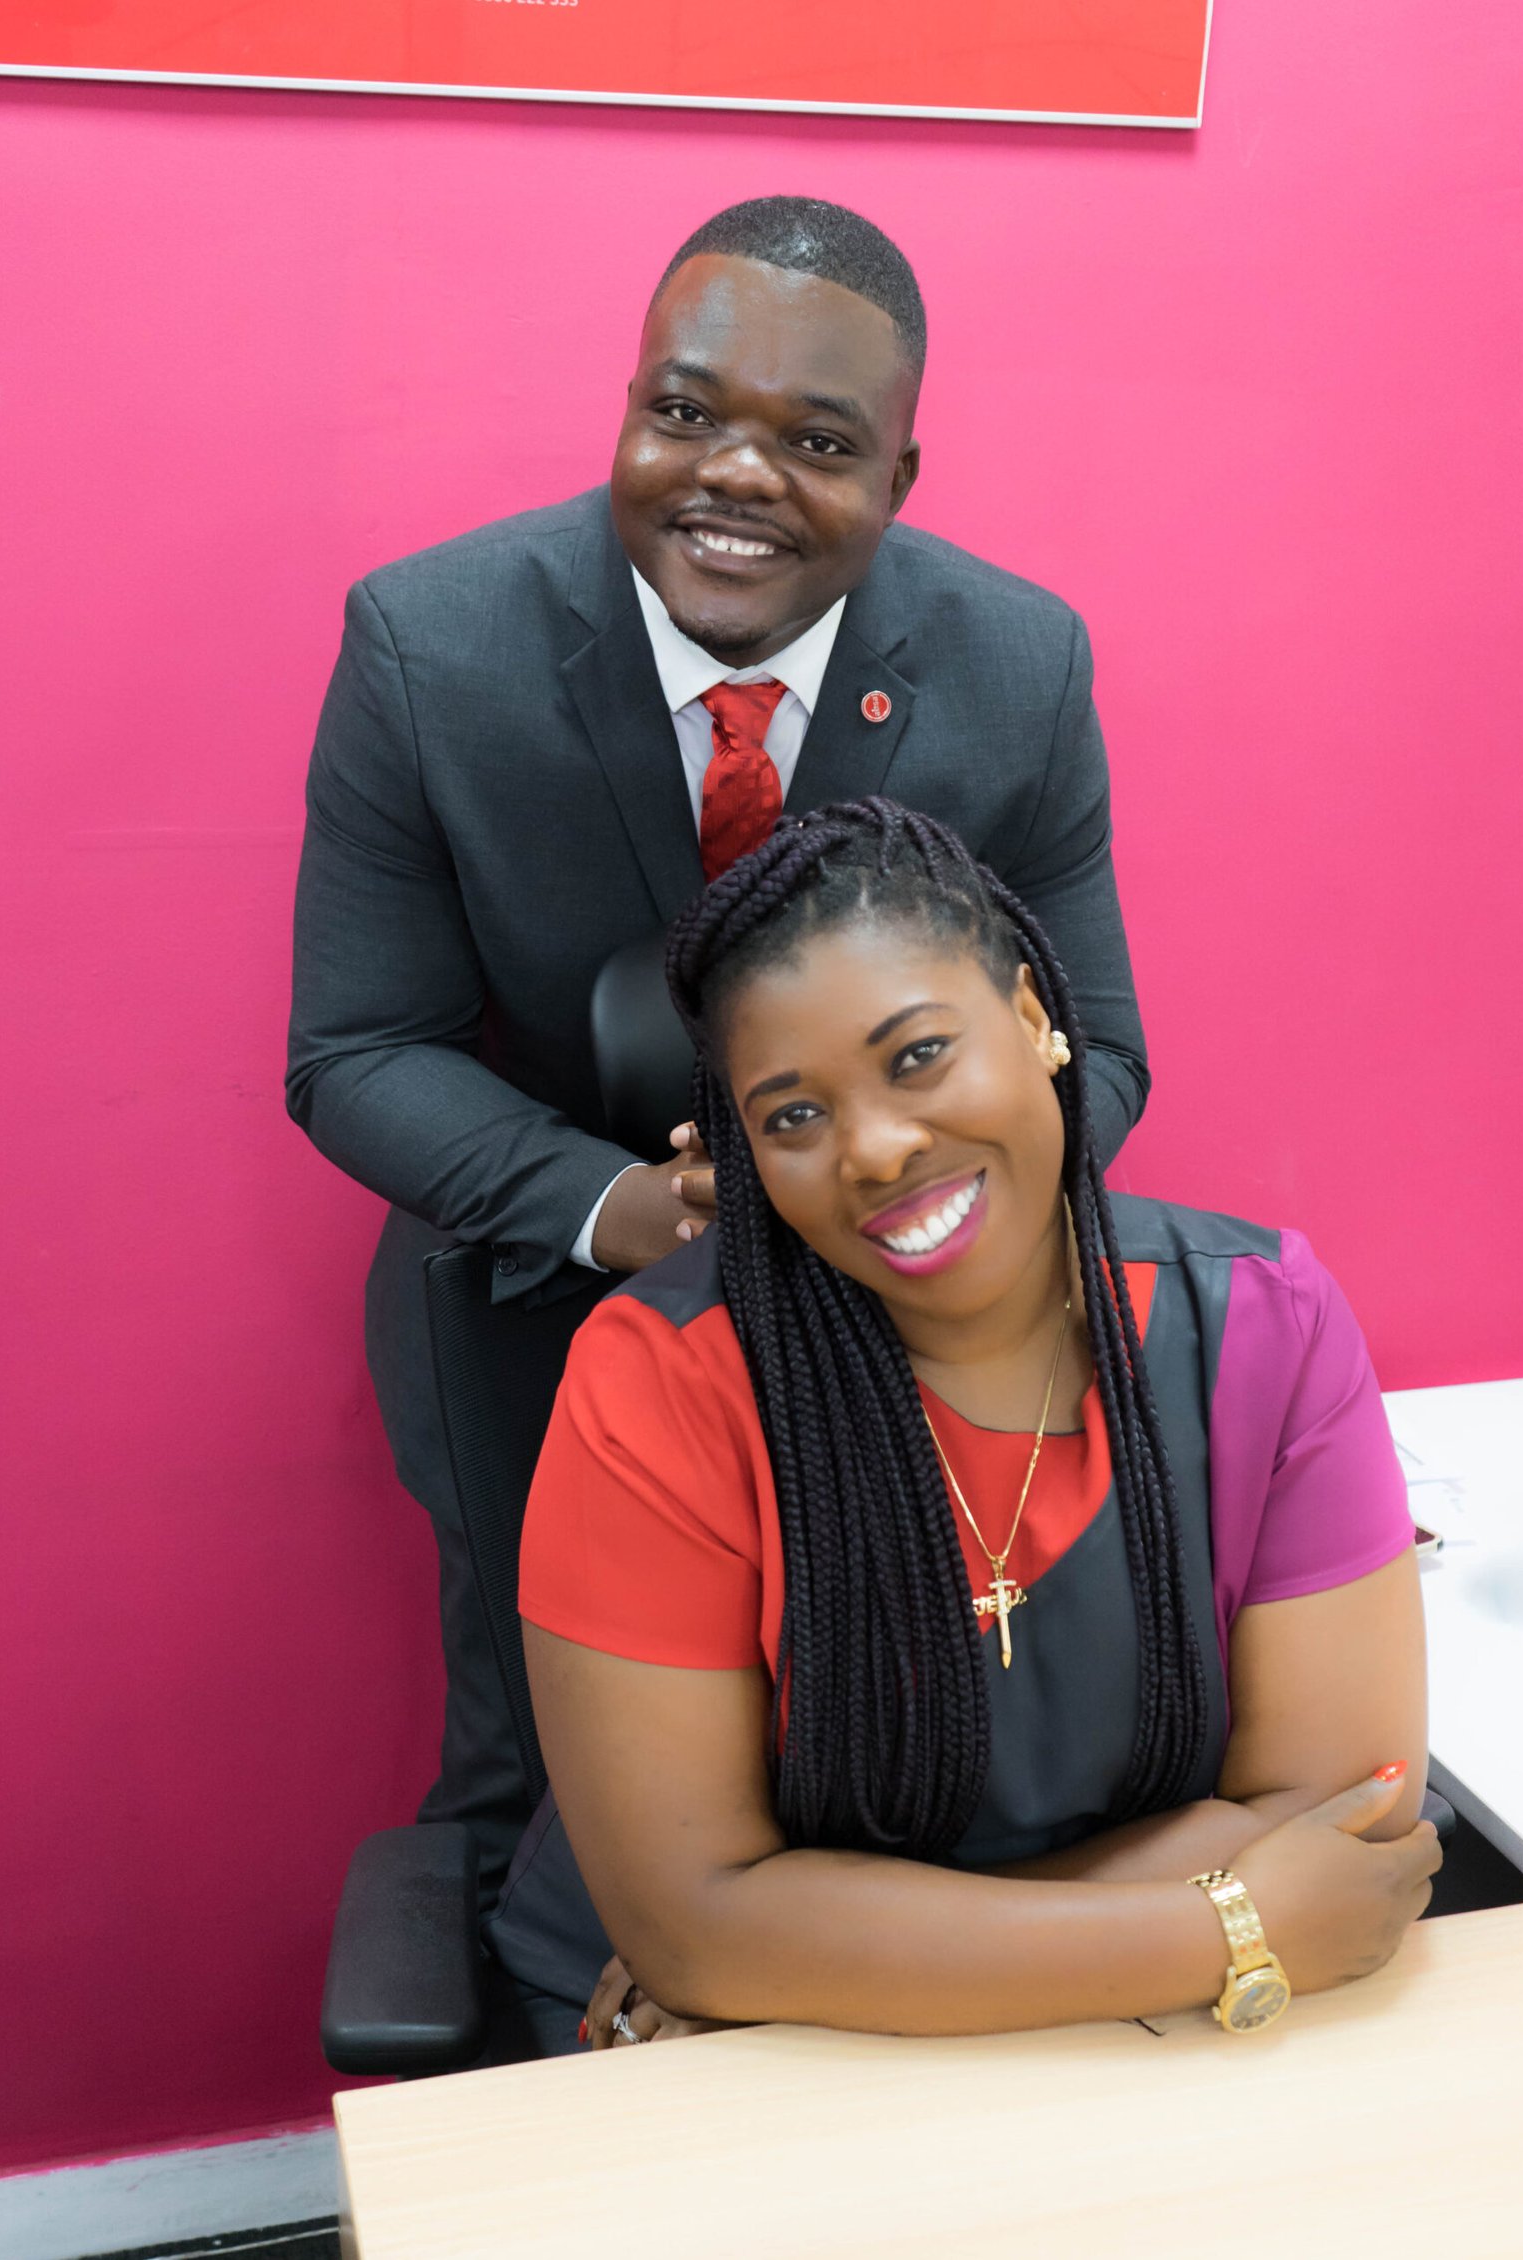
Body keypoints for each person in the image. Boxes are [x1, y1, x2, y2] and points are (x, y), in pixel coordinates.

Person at [287, 198, 1151, 1898]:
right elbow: (359, 1047)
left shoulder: (1019, 665)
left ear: (900, 476)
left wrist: (882, 1195)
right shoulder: (429, 647)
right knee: (562, 1799)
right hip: (544, 1301)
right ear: (628, 405)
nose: (735, 476)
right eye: (685, 414)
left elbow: (1096, 1052)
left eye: (817, 443)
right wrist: (628, 1209)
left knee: (875, 1756)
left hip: (906, 1305)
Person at [489, 799, 1439, 2053]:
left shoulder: (1264, 1323)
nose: (876, 1148)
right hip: (723, 2072)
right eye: (792, 1116)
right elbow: (691, 1923)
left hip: (925, 2032)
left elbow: (1342, 1810)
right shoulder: (660, 1383)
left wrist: (809, 1961)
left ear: (1036, 1018)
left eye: (918, 1055)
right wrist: (1225, 1923)